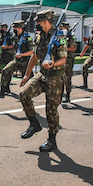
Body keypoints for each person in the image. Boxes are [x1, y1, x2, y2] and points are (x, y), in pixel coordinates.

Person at [19, 10, 67, 152]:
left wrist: (53, 64)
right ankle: (34, 124)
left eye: (38, 22)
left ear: (46, 21)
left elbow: (63, 59)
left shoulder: (59, 37)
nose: (36, 25)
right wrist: (27, 75)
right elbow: (35, 56)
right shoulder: (39, 37)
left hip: (55, 77)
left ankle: (52, 140)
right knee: (24, 94)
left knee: (51, 110)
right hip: (42, 74)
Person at [0, 20, 33, 98]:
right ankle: (2, 92)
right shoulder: (15, 37)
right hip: (16, 60)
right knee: (5, 71)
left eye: (16, 27)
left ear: (21, 28)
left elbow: (32, 51)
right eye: (14, 27)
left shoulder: (27, 38)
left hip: (25, 62)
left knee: (29, 79)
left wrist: (22, 54)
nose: (14, 29)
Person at [60, 23, 77, 103]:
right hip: (62, 58)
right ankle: (60, 95)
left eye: (63, 27)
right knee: (60, 77)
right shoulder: (61, 36)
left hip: (69, 59)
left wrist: (63, 50)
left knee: (67, 77)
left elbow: (73, 48)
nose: (61, 29)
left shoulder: (71, 37)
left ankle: (67, 95)